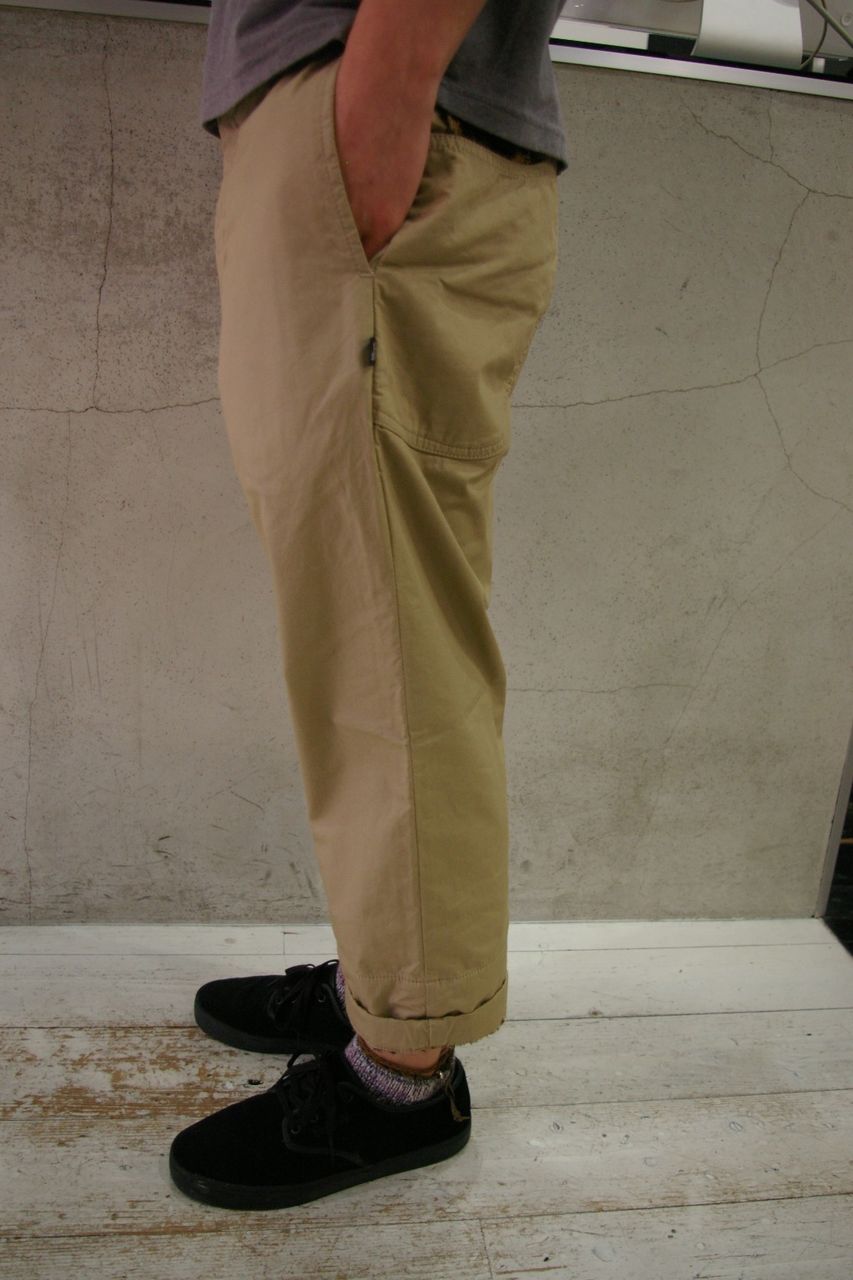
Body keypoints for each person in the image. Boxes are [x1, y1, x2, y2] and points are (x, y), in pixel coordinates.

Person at [169, 0, 569, 1210]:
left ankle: (402, 1069)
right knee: (363, 612)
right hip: (352, 106)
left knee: (388, 632)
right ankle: (382, 986)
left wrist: (384, 90)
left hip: (383, 99)